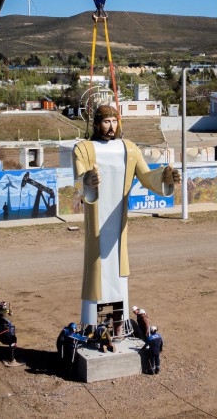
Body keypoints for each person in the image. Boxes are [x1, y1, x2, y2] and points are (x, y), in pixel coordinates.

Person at [72, 105, 180, 326]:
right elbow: (78, 182)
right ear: (96, 124)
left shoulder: (129, 149)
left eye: (114, 121)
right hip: (97, 227)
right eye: (106, 121)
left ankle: (120, 328)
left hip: (119, 230)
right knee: (96, 278)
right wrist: (87, 181)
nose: (111, 126)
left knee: (119, 280)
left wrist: (166, 176)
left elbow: (147, 177)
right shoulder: (83, 149)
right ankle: (92, 328)